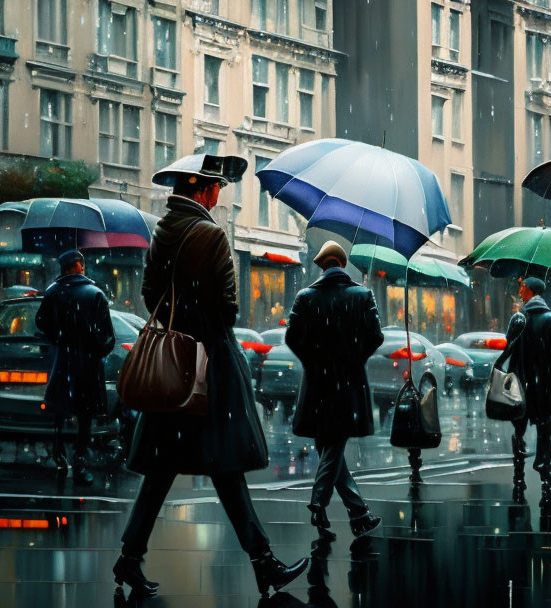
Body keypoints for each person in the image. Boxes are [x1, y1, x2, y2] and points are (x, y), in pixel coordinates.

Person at [114, 154, 308, 597]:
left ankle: (129, 558)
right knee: (226, 464)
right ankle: (263, 564)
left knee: (162, 469)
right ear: (201, 189)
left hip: (172, 366)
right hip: (209, 365)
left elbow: (150, 297)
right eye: (215, 187)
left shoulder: (161, 234)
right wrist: (206, 321)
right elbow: (228, 308)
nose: (219, 194)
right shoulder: (212, 236)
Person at [286, 240, 384, 540]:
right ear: (341, 264)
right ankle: (319, 502)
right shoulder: (362, 295)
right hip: (348, 385)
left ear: (322, 266)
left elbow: (292, 338)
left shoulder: (305, 297)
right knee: (335, 443)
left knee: (329, 446)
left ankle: (359, 514)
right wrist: (354, 359)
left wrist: (313, 362)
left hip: (317, 385)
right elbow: (376, 337)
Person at [35, 249, 115, 486]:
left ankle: (59, 456)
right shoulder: (95, 294)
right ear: (78, 266)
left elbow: (41, 324)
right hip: (88, 365)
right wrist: (96, 350)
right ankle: (80, 461)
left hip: (63, 361)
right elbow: (107, 336)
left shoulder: (53, 292)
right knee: (85, 414)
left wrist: (59, 341)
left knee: (60, 410)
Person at [503, 276, 551, 509]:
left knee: (519, 428)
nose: (519, 290)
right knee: (544, 426)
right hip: (544, 385)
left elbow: (509, 347)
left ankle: (519, 472)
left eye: (522, 287)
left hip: (521, 383)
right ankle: (545, 471)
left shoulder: (519, 318)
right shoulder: (550, 318)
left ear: (530, 291)